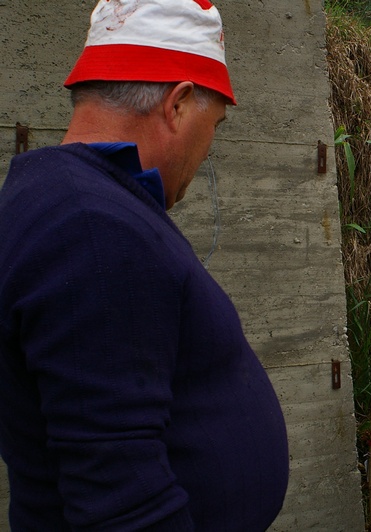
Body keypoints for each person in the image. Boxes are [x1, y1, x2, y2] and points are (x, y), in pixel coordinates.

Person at [0, 1, 289, 530]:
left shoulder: (82, 203)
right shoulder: (89, 229)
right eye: (215, 123)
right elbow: (121, 499)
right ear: (178, 105)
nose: (209, 149)